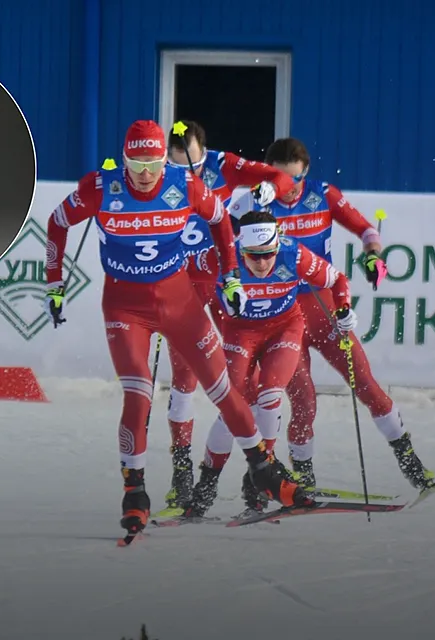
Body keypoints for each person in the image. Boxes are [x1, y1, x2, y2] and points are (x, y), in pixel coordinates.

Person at [43, 120, 307, 537]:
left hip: (179, 301)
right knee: (139, 395)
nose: (145, 173)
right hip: (126, 308)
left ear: (165, 160)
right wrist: (54, 283)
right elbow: (58, 221)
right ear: (124, 159)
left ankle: (263, 470)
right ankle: (135, 492)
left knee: (222, 389)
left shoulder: (184, 185)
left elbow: (221, 221)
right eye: (136, 163)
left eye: (153, 163)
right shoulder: (102, 187)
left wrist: (231, 277)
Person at [257, 137, 435, 493]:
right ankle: (303, 479)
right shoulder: (257, 204)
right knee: (304, 400)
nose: (288, 188)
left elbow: (366, 229)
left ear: (306, 171)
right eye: (280, 179)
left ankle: (411, 463)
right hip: (283, 315)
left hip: (324, 308)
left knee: (367, 385)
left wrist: (373, 256)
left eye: (295, 179)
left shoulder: (322, 194)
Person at [159, 120, 299, 513]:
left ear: (203, 150)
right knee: (184, 379)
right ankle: (182, 473)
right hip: (182, 285)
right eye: (176, 165)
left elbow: (281, 179)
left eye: (191, 164)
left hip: (224, 279)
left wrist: (270, 189)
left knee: (248, 382)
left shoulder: (223, 164)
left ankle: (261, 470)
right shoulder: (159, 175)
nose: (185, 173)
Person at [179, 209, 356, 518]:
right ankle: (205, 488)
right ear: (240, 248)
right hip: (241, 332)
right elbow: (175, 273)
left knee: (270, 396)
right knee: (232, 408)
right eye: (253, 256)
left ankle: (260, 481)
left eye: (268, 254)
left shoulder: (293, 254)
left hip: (285, 329)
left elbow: (337, 279)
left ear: (277, 245)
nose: (262, 263)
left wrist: (343, 309)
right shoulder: (221, 258)